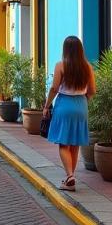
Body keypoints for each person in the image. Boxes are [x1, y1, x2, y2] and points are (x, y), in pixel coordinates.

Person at [44, 35, 96, 192]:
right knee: (75, 142)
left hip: (64, 104)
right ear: (80, 50)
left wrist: (46, 106)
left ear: (65, 50)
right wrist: (84, 102)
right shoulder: (87, 67)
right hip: (81, 105)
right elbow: (93, 90)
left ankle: (70, 176)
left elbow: (54, 88)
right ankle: (70, 177)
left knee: (63, 143)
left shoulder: (60, 65)